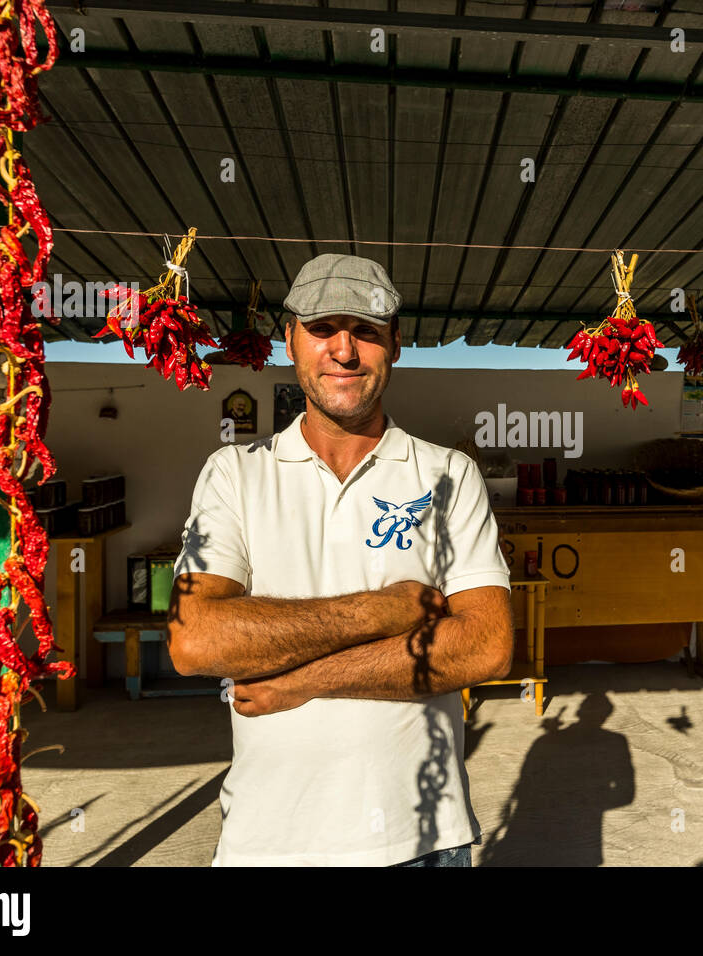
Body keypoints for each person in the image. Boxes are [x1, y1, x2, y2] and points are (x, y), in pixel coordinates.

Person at [167, 253, 514, 867]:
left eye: (367, 332)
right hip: (268, 843)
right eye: (323, 329)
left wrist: (301, 681)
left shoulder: (449, 476)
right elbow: (196, 639)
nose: (344, 351)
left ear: (396, 345)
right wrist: (387, 608)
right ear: (290, 340)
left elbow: (485, 645)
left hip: (422, 842)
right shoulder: (235, 475)